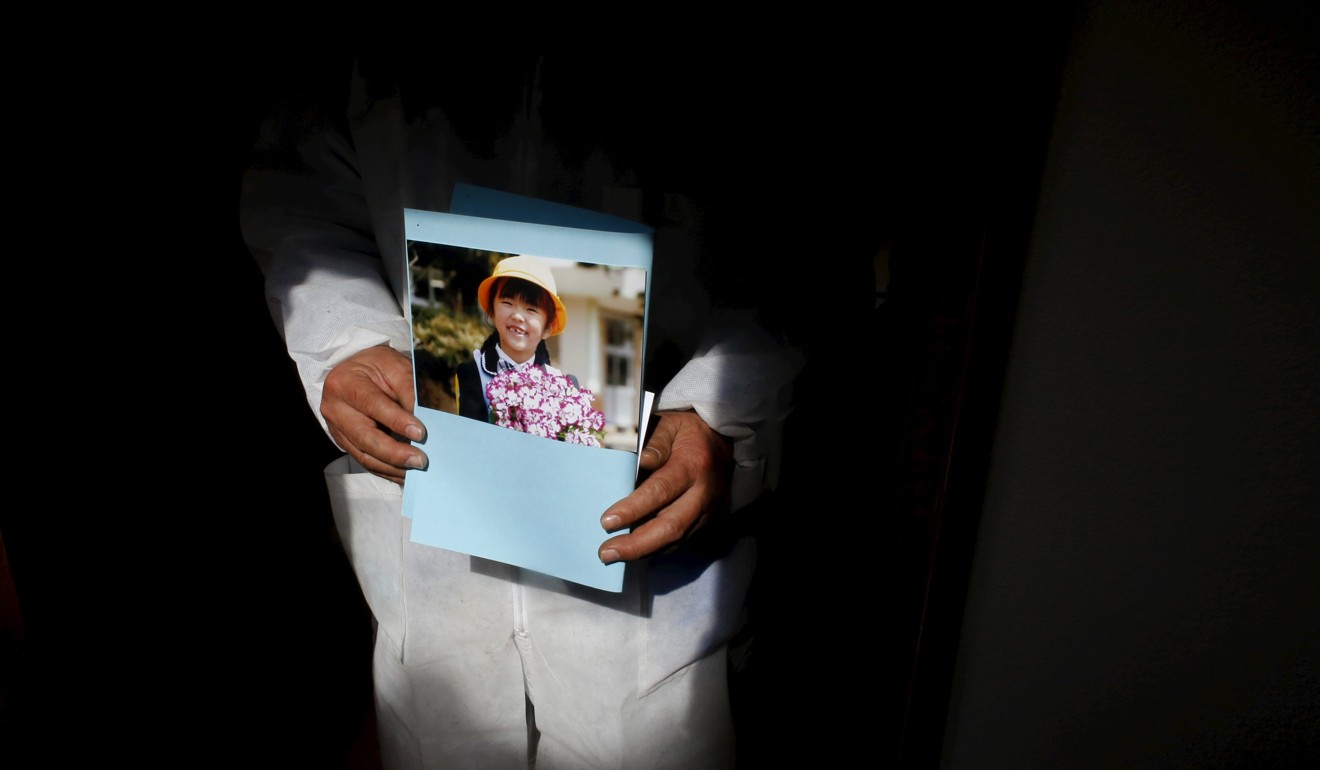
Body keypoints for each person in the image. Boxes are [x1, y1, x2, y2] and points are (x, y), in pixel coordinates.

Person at [240, 47, 804, 769]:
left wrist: (726, 407)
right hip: (436, 525)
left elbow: (806, 234)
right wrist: (344, 338)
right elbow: (300, 192)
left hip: (657, 528)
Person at [455, 255, 572, 424]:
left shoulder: (561, 386)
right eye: (508, 303)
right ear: (492, 312)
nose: (517, 316)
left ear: (548, 327)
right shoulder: (471, 374)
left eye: (531, 309)